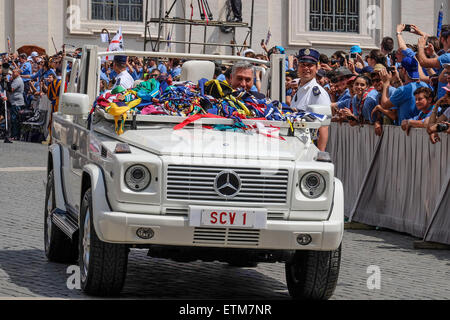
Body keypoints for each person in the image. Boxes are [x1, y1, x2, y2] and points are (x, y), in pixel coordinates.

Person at [290, 48, 331, 152]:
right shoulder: (300, 89)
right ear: (297, 67)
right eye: (302, 64)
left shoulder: (318, 93)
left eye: (310, 65)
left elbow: (324, 126)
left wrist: (320, 154)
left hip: (308, 148)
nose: (306, 68)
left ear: (317, 68)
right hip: (295, 145)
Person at [379, 56, 429, 125]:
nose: (398, 70)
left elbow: (384, 105)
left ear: (404, 70)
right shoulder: (425, 85)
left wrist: (386, 83)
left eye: (399, 68)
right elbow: (406, 92)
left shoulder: (403, 90)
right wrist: (397, 80)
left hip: (405, 131)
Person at [8, 68, 25, 140]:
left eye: (14, 73)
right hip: (14, 101)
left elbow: (11, 89)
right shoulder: (15, 80)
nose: (12, 74)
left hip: (17, 102)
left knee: (15, 119)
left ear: (18, 73)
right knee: (13, 119)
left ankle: (15, 136)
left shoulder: (18, 80)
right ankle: (13, 135)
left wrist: (7, 83)